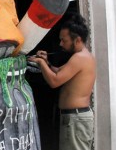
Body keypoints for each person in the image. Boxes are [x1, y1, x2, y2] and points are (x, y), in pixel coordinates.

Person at [28, 13, 96, 150]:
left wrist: (41, 63)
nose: (60, 44)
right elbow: (59, 72)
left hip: (76, 118)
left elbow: (54, 81)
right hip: (74, 117)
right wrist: (47, 62)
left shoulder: (80, 58)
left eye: (64, 40)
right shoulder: (80, 56)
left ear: (77, 40)